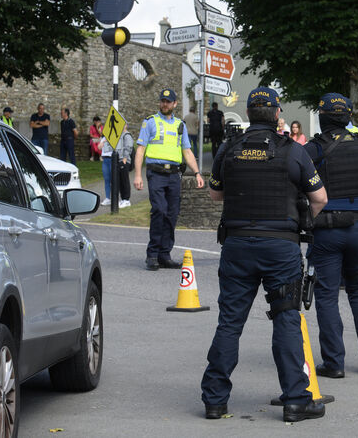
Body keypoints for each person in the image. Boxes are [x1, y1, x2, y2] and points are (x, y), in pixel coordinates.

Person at [201, 87, 328, 423]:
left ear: (249, 113)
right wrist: (303, 225)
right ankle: (296, 401)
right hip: (280, 247)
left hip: (238, 245)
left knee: (229, 323)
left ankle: (215, 401)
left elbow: (215, 195)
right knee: (286, 319)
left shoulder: (229, 148)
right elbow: (320, 198)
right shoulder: (292, 151)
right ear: (276, 114)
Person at [304, 93, 358, 380]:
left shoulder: (313, 149)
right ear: (348, 117)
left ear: (323, 117)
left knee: (326, 295)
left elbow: (302, 185)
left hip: (327, 230)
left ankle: (334, 363)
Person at [133, 88, 204, 270]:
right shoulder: (150, 122)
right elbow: (140, 149)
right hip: (156, 173)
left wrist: (197, 172)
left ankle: (165, 255)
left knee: (172, 214)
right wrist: (138, 175)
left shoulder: (180, 125)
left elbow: (187, 151)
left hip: (174, 175)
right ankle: (153, 255)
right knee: (159, 210)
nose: (164, 104)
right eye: (162, 101)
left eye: (168, 101)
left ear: (175, 104)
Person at [100, 128, 134, 208]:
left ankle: (126, 200)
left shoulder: (126, 135)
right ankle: (123, 199)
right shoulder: (119, 136)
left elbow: (129, 147)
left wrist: (125, 159)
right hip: (119, 161)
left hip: (124, 161)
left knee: (124, 180)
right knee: (120, 181)